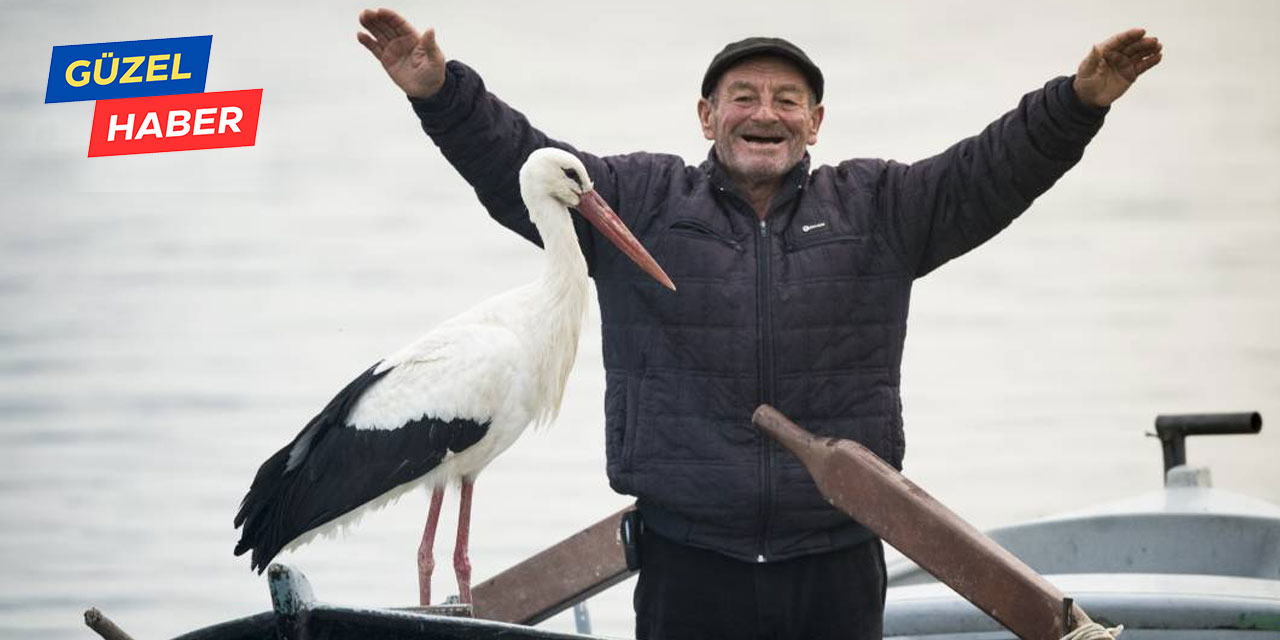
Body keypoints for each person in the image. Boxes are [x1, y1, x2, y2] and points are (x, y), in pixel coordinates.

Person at [357, 10, 1161, 639]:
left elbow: (991, 172)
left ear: (815, 123)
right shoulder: (639, 202)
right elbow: (520, 165)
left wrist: (1078, 102)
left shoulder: (881, 208)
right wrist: (439, 92)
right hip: (688, 565)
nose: (763, 113)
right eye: (743, 97)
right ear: (707, 117)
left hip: (838, 558)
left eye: (786, 100)